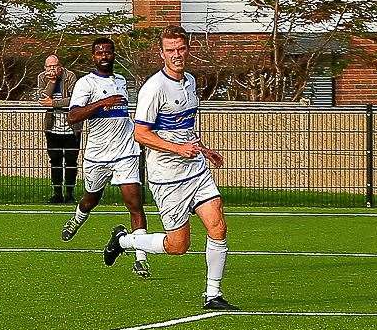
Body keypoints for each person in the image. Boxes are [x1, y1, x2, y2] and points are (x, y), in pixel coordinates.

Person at [101, 25, 235, 311]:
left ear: (188, 50)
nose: (177, 55)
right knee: (178, 246)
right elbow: (141, 134)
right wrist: (178, 150)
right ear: (161, 53)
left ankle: (213, 294)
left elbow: (184, 127)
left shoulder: (190, 81)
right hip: (167, 176)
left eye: (181, 49)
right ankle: (124, 241)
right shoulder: (154, 88)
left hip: (196, 168)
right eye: (170, 50)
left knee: (218, 227)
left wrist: (201, 148)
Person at [60, 38, 152, 278]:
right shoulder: (85, 83)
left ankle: (141, 259)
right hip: (98, 155)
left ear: (113, 55)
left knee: (134, 203)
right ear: (93, 56)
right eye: (99, 52)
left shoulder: (121, 80)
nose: (104, 56)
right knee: (91, 200)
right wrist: (103, 102)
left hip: (126, 152)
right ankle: (77, 220)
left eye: (108, 52)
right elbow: (73, 116)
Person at [36, 55, 79, 203]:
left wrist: (54, 103)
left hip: (72, 128)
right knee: (55, 161)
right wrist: (51, 82)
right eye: (49, 67)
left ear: (60, 66)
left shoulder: (70, 76)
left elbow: (74, 100)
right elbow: (42, 98)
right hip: (52, 127)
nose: (52, 69)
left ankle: (69, 193)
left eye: (54, 66)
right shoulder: (42, 77)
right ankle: (57, 193)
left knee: (71, 161)